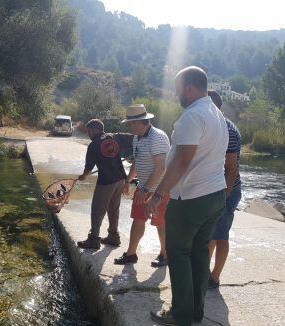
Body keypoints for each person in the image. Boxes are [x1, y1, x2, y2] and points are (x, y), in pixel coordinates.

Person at [146, 66, 228, 326]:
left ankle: (181, 314)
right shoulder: (217, 114)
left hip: (192, 198)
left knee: (178, 251)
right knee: (199, 253)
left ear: (189, 88)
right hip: (215, 195)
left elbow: (182, 160)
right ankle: (196, 311)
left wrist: (158, 194)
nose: (176, 95)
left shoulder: (192, 116)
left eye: (177, 89)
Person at [113, 104, 171, 267]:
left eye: (130, 124)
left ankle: (165, 254)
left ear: (139, 122)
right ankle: (131, 254)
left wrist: (146, 190)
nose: (129, 127)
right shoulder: (137, 138)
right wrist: (128, 181)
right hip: (144, 188)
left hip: (160, 190)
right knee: (138, 219)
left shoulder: (157, 137)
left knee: (160, 222)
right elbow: (137, 162)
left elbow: (161, 168)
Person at [207, 90, 242, 289]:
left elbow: (231, 168)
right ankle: (206, 272)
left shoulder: (227, 129)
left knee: (221, 235)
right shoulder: (213, 125)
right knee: (212, 233)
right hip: (215, 189)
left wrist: (224, 196)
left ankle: (214, 277)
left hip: (226, 190)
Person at [77, 119, 127, 250]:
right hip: (120, 178)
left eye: (88, 131)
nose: (88, 134)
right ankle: (113, 237)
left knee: (97, 210)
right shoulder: (114, 137)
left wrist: (83, 176)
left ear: (95, 130)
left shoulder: (94, 145)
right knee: (113, 209)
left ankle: (94, 239)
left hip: (106, 182)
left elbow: (88, 167)